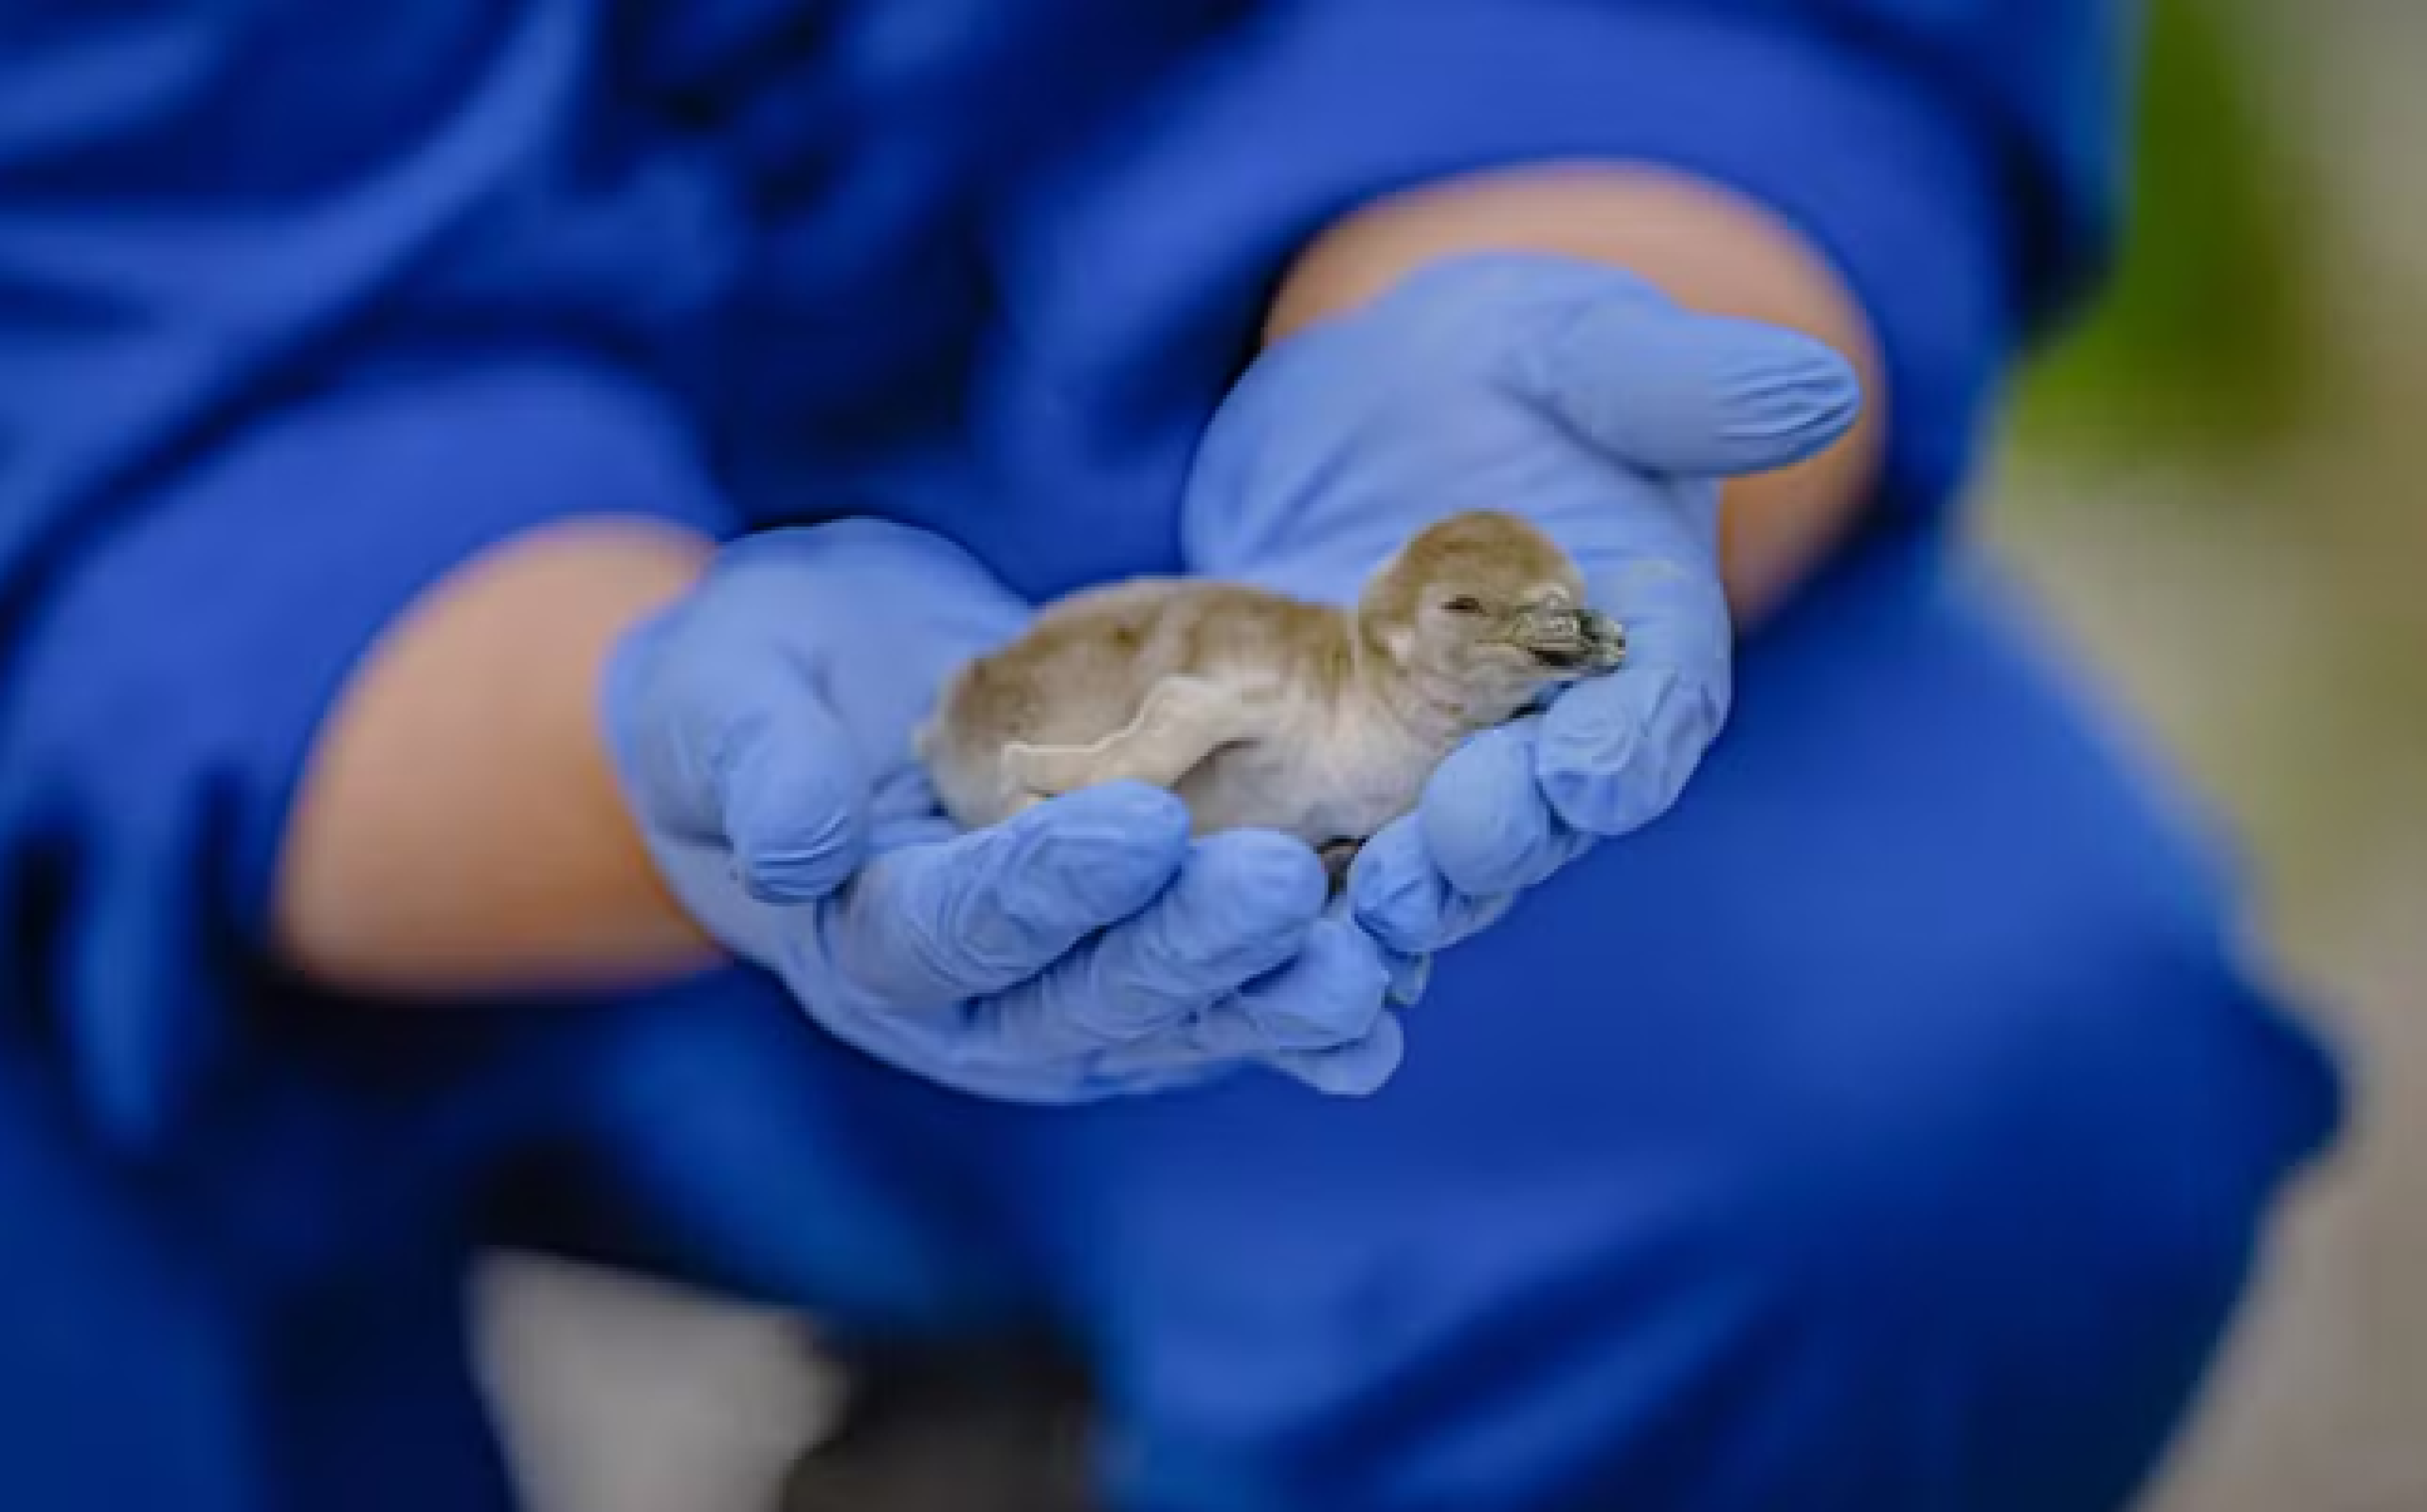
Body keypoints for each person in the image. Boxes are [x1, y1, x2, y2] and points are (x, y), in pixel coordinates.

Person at [0, 1, 2343, 1508]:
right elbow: (131, 378)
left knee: (1936, 1053)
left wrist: (1571, 304)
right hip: (311, 607)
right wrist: (644, 735)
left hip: (1195, 412)